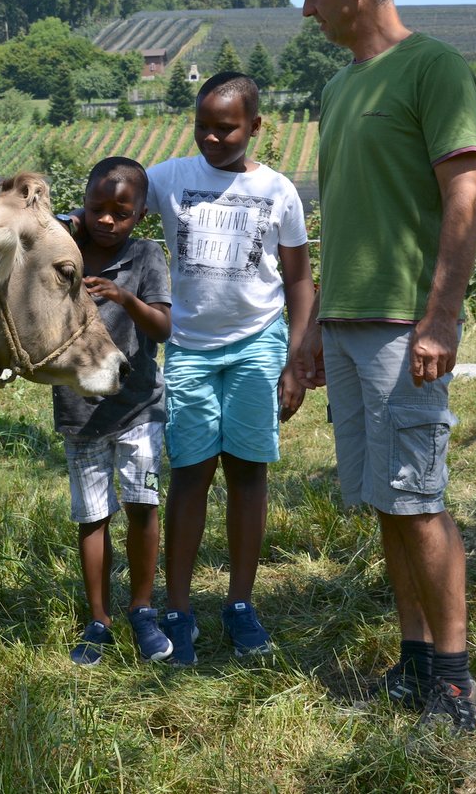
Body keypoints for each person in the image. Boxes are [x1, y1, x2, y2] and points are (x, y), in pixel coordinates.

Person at [289, 0, 476, 733]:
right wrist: (312, 335)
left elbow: (464, 197)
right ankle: (412, 665)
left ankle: (455, 682)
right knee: (384, 501)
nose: (307, 11)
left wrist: (441, 318)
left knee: (418, 500)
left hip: (408, 328)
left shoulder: (433, 68)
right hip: (348, 326)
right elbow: (344, 219)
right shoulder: (339, 89)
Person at [144, 71, 316, 666]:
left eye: (227, 128)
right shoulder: (168, 179)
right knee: (190, 473)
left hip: (257, 347)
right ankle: (179, 606)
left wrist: (296, 360)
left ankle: (240, 603)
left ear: (255, 126)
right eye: (203, 127)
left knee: (247, 473)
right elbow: (107, 207)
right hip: (189, 348)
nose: (213, 139)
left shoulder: (278, 191)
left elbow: (297, 279)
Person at [52, 157, 174, 666]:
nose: (107, 219)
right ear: (82, 203)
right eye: (96, 208)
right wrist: (62, 228)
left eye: (120, 212)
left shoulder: (146, 256)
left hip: (138, 406)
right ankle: (98, 617)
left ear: (140, 215)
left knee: (143, 505)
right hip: (80, 412)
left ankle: (142, 608)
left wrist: (125, 298)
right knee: (92, 515)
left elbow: (164, 328)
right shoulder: (65, 252)